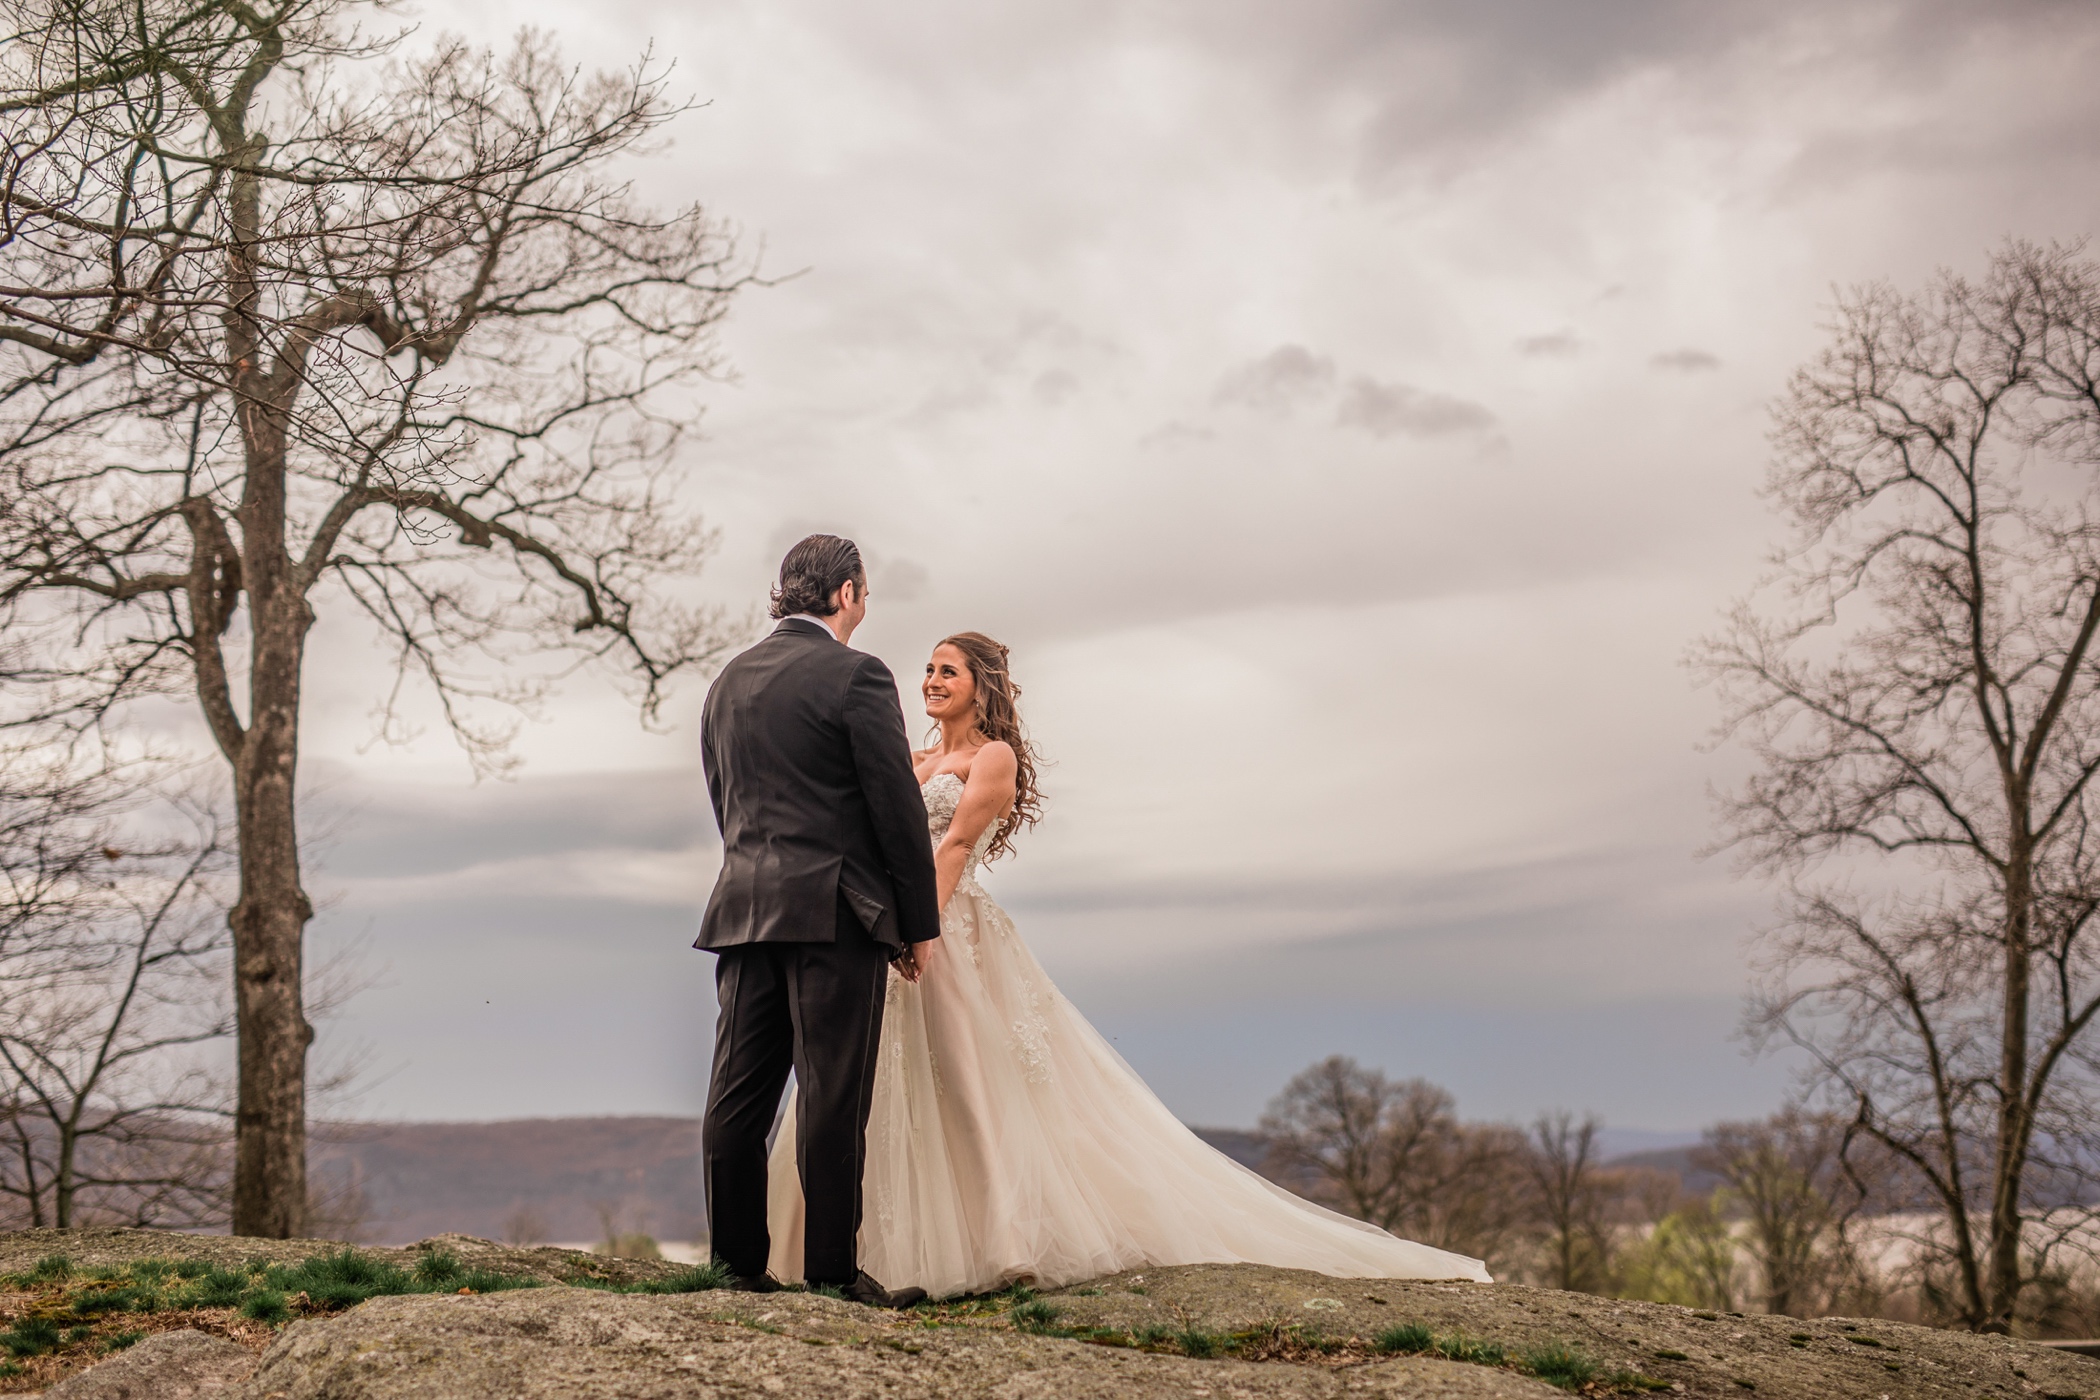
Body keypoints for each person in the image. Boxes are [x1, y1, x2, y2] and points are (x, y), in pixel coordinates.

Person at [766, 631, 1493, 1297]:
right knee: (873, 1086)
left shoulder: (992, 758)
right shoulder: (912, 757)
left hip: (948, 935)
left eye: (946, 671)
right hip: (885, 934)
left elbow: (953, 846)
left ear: (980, 685)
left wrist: (917, 933)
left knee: (966, 1084)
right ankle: (852, 1252)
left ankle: (1000, 1239)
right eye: (926, 670)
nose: (930, 680)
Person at [695, 534, 941, 1308]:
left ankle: (734, 1266)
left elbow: (724, 799)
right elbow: (896, 809)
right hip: (834, 913)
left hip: (742, 908)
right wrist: (916, 924)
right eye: (864, 593)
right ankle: (831, 1274)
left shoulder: (727, 682)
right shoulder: (857, 675)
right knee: (834, 1096)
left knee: (737, 1096)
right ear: (845, 594)